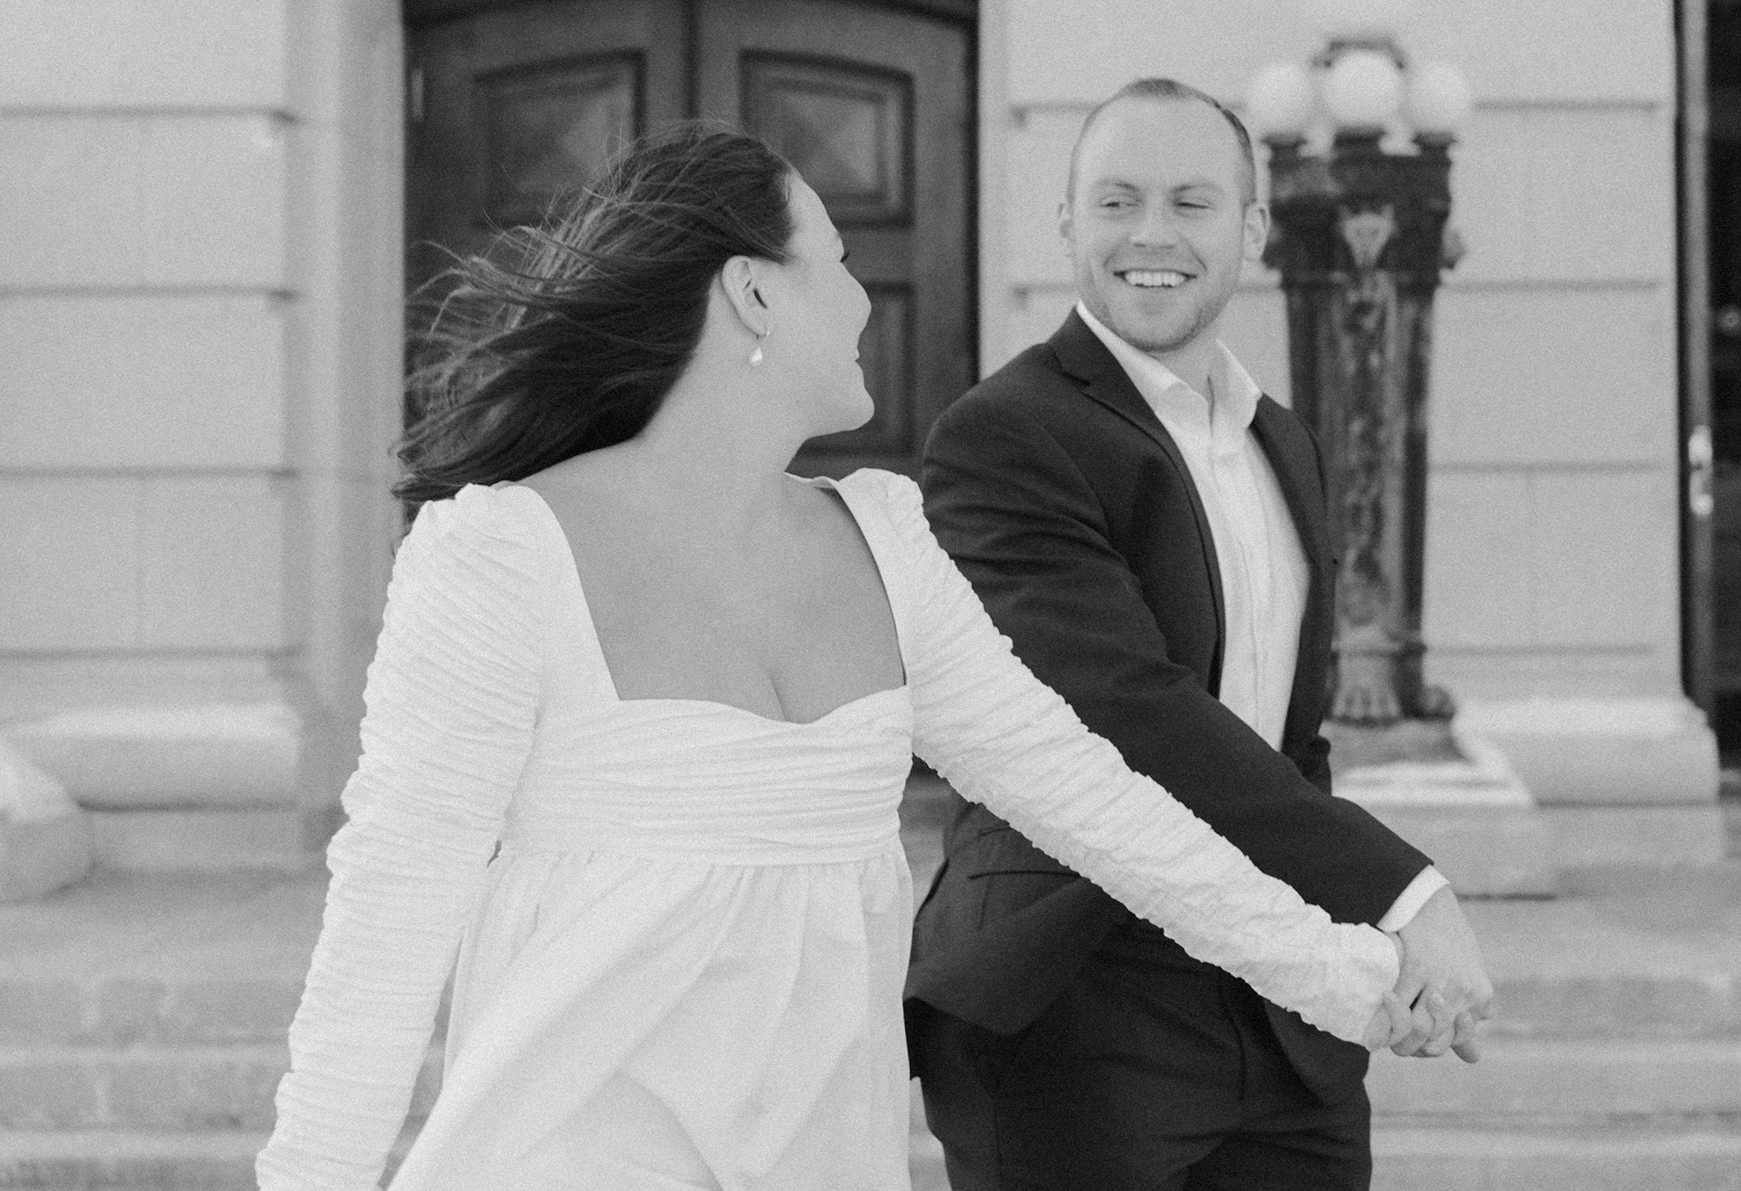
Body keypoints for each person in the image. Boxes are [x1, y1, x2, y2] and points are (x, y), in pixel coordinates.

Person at [253, 122, 1417, 1191]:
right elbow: (389, 911)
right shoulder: (499, 555)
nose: (867, 298)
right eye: (844, 259)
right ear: (755, 292)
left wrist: (1335, 968)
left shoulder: (887, 538)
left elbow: (1095, 802)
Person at [906, 79, 1496, 1191]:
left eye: (1192, 201)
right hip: (1076, 1004)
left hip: (1282, 1028)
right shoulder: (1005, 435)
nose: (1153, 235)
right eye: (1118, 201)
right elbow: (1133, 713)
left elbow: (1288, 743)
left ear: (1255, 230)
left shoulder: (1283, 443)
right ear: (1069, 222)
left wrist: (1351, 953)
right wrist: (1405, 892)